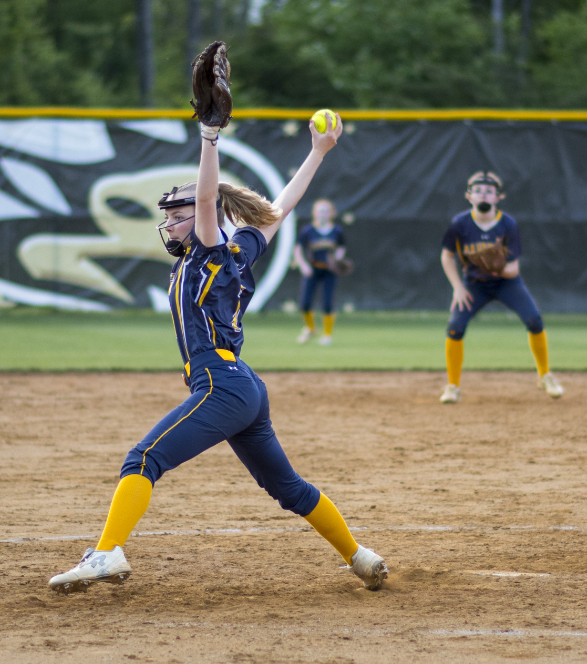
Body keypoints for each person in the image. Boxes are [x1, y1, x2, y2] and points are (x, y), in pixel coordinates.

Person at [48, 102, 388, 593]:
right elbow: (282, 208)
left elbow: (209, 200)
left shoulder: (211, 249)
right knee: (287, 488)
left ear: (205, 218)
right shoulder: (237, 253)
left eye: (176, 215)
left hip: (220, 383)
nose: (169, 223)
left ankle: (106, 554)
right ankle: (360, 557)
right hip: (244, 386)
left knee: (142, 460)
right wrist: (318, 152)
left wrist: (209, 137)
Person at [439, 171, 564, 404]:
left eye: (489, 191)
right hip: (474, 284)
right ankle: (452, 386)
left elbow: (513, 269)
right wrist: (457, 287)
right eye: (477, 190)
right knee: (455, 326)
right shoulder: (460, 223)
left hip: (506, 282)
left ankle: (545, 375)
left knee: (534, 320)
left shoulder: (507, 224)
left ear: (499, 197)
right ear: (469, 196)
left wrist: (494, 266)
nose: (482, 194)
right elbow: (447, 256)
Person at [294, 199, 346, 345]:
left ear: (331, 213)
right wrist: (303, 265)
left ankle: (327, 335)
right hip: (313, 269)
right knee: (304, 304)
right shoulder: (308, 231)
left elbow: (341, 247)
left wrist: (337, 258)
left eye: (326, 211)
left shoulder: (336, 231)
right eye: (320, 211)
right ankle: (311, 328)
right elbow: (298, 249)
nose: (323, 214)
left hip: (330, 270)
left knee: (328, 303)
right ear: (314, 213)